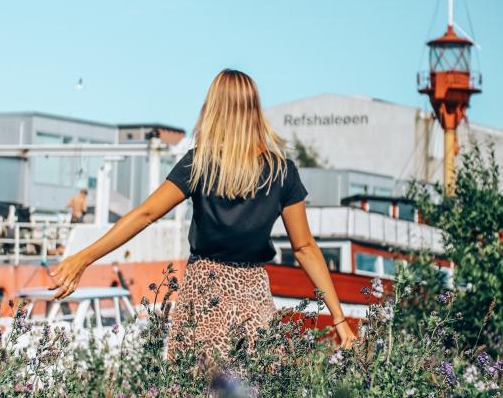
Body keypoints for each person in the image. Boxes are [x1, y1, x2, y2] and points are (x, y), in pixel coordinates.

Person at [49, 69, 356, 359]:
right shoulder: (282, 172)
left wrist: (83, 258)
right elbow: (304, 248)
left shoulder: (198, 164)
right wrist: (339, 319)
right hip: (255, 298)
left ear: (215, 109)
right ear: (254, 109)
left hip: (203, 293)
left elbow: (145, 215)